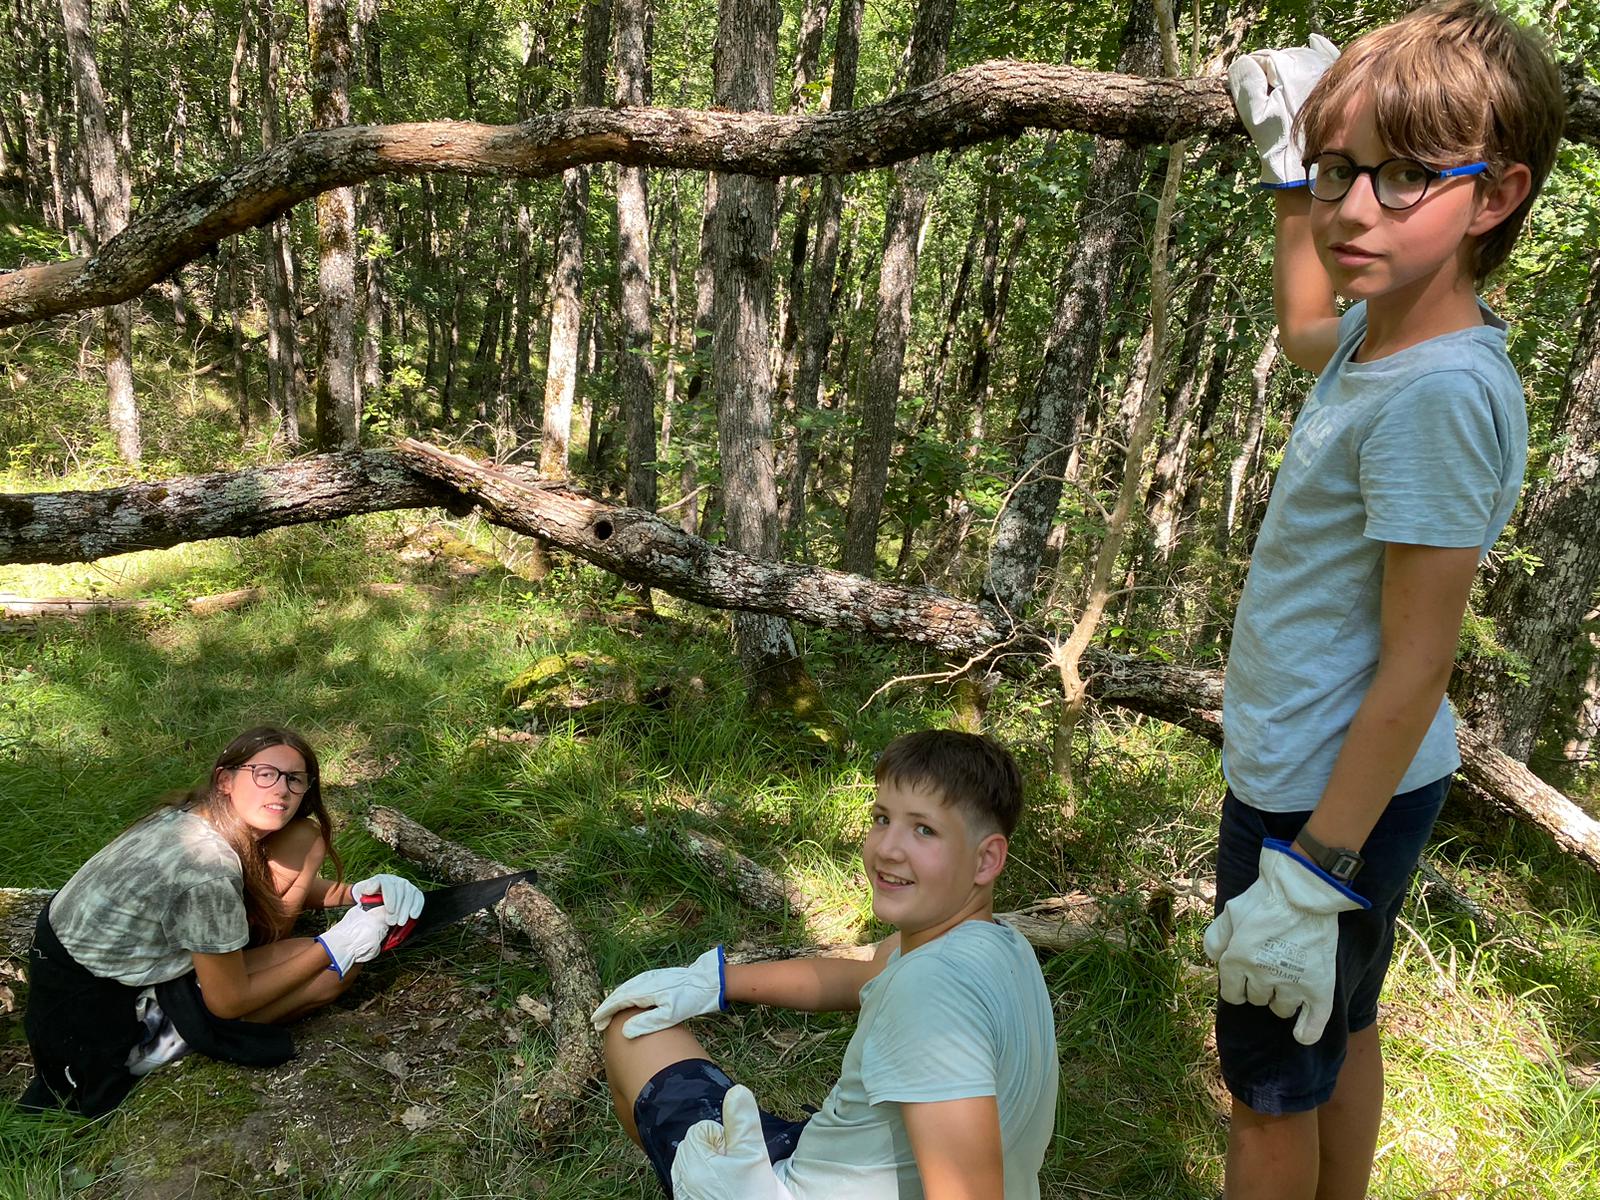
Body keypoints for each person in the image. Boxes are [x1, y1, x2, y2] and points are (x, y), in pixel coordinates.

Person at [1211, 5, 1566, 1197]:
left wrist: (1311, 874)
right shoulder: (1387, 333)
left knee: (1264, 1097)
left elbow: (1419, 662)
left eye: (1407, 177)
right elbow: (1308, 327)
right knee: (1338, 1028)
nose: (1353, 208)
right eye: (1336, 171)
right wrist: (1280, 173)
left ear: (1497, 193)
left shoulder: (1436, 397)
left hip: (1322, 797)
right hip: (1358, 784)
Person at [592, 729, 1058, 1199]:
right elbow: (864, 976)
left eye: (924, 829)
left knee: (631, 1027)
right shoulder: (996, 943)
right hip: (836, 1171)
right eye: (882, 818)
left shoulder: (932, 993)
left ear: (986, 860)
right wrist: (718, 981)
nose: (888, 848)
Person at [20, 725, 426, 1117]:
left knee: (303, 845)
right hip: (102, 1023)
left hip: (82, 985)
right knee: (331, 971)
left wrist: (354, 893)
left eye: (295, 780)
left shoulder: (188, 821)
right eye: (265, 774)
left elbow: (255, 883)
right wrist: (340, 944)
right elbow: (229, 1001)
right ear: (225, 780)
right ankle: (159, 1049)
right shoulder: (207, 870)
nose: (282, 789)